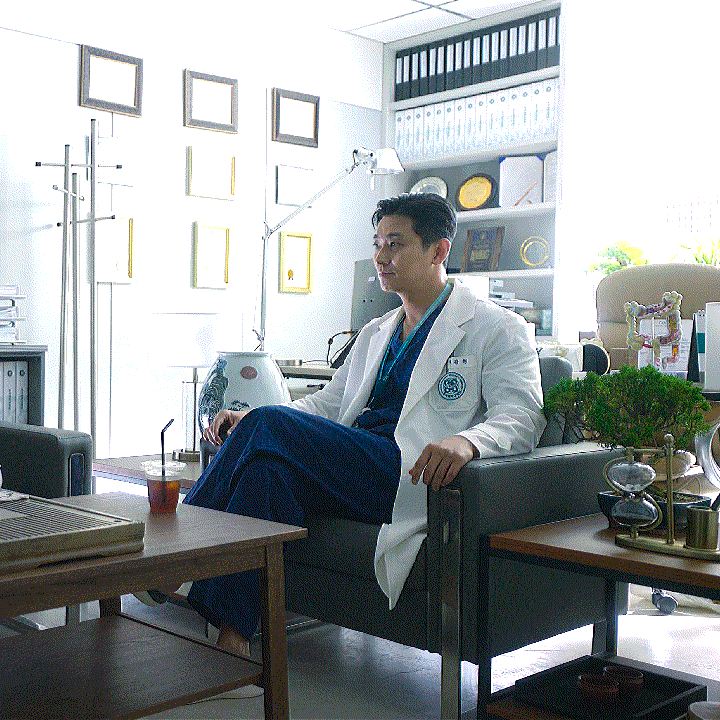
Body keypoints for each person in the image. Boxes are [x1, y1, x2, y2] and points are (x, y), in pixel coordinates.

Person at [179, 193, 545, 658]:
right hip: (356, 463)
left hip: (407, 470)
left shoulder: (497, 327)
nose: (381, 256)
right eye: (378, 244)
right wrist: (251, 418)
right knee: (265, 474)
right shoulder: (377, 331)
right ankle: (233, 644)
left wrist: (468, 442)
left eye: (395, 243)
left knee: (269, 426)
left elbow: (523, 415)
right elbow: (328, 404)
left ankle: (177, 550)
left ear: (439, 251)